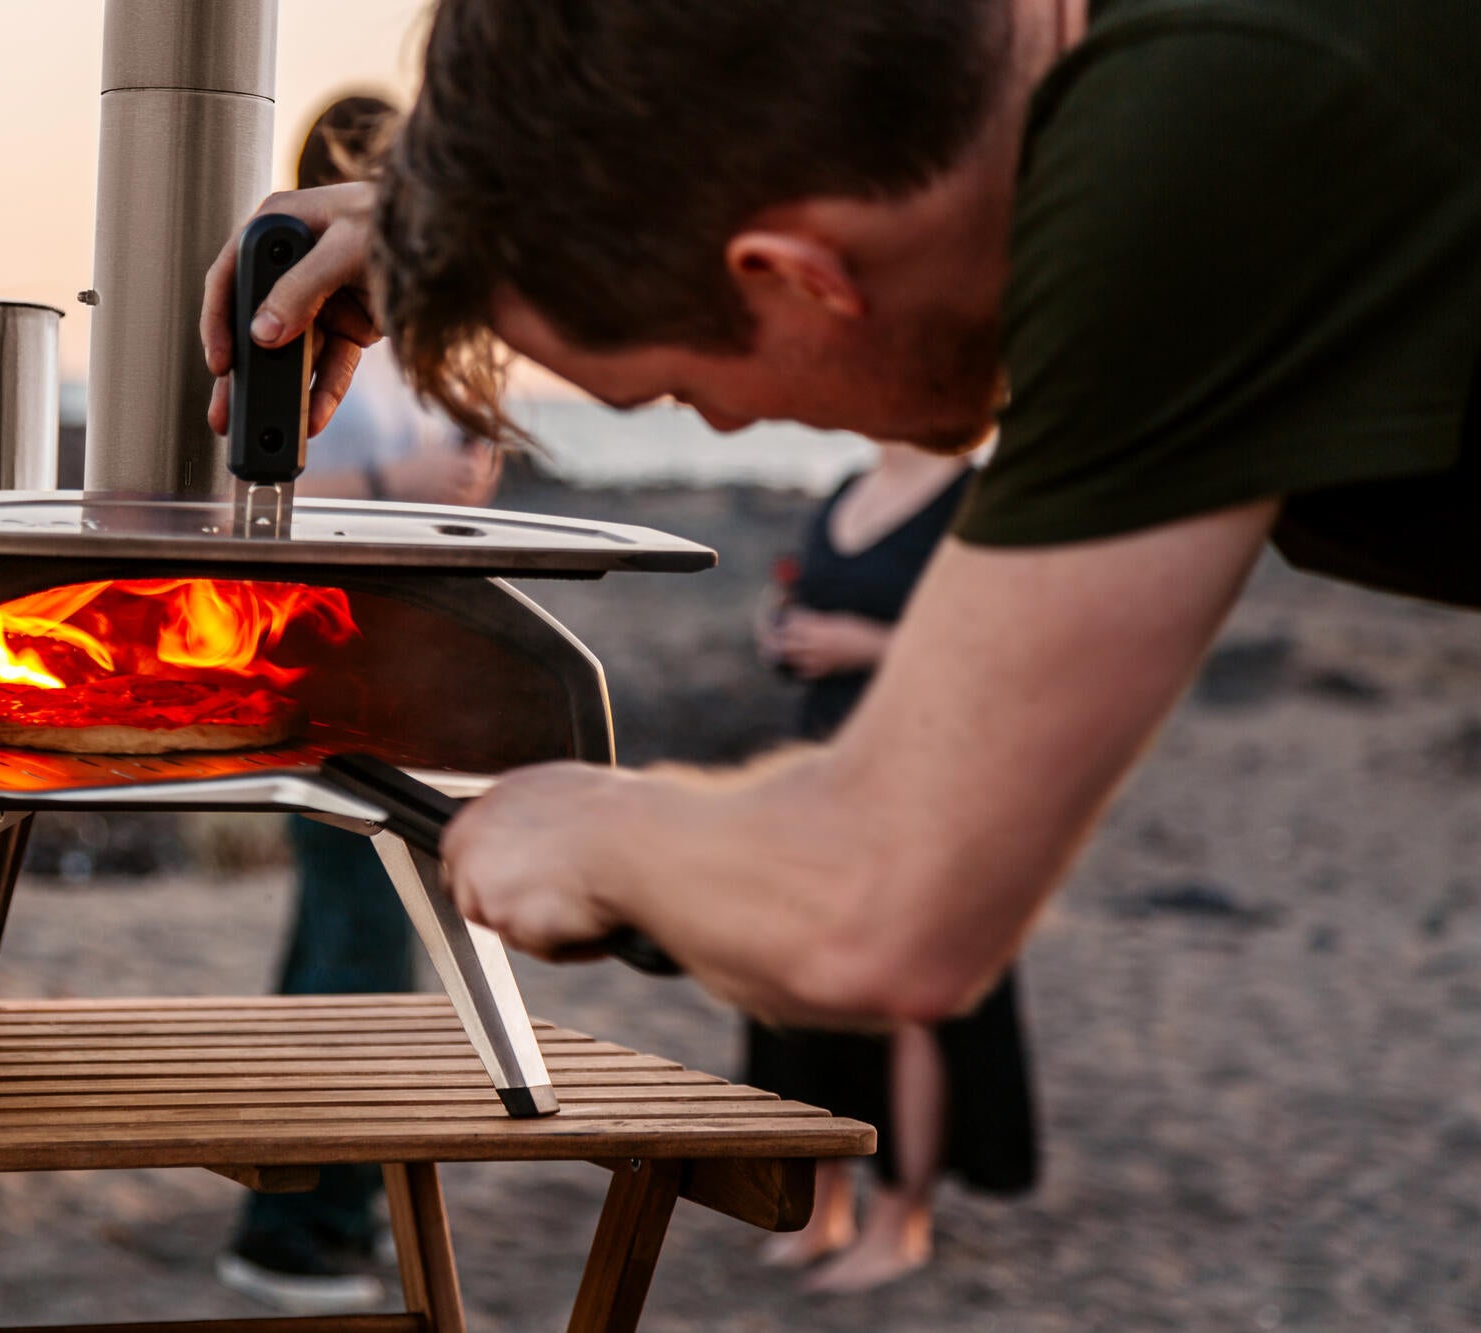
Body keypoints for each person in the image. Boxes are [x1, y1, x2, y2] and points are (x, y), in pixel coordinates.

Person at [197, 0, 1481, 1073]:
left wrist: (577, 832)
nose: (726, 427)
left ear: (797, 276)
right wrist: (456, 221)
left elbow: (872, 907)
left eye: (683, 395)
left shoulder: (1202, 144)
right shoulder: (1166, 90)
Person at [215, 92, 499, 1317]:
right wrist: (404, 477)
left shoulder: (424, 311)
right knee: (357, 945)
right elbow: (256, 468)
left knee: (349, 942)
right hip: (330, 661)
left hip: (412, 657)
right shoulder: (298, 299)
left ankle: (319, 1212)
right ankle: (295, 1233)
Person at [748, 443, 1037, 1293]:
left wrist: (863, 643)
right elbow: (806, 599)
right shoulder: (846, 486)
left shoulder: (979, 499)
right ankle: (825, 1200)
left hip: (929, 775)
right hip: (822, 763)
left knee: (908, 1000)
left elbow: (1005, 649)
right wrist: (783, 630)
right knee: (808, 986)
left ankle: (899, 1218)